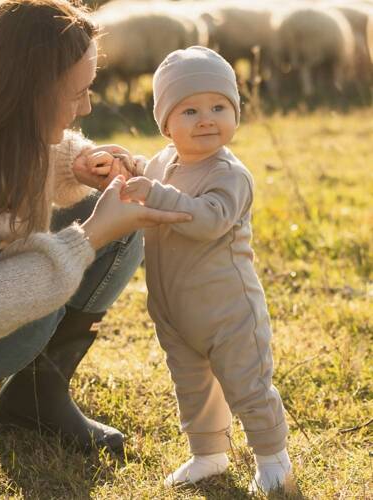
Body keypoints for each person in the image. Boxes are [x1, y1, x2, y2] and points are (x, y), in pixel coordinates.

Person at [0, 1, 192, 497]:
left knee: (121, 212)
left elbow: (5, 147)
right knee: (35, 290)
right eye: (78, 93)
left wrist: (81, 162)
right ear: (30, 91)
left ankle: (36, 397)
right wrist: (88, 238)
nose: (86, 107)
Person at [113, 46, 294, 494]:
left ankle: (273, 459)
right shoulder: (164, 163)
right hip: (174, 310)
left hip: (227, 309)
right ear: (166, 124)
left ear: (235, 113)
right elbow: (150, 176)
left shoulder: (230, 175)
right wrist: (124, 166)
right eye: (189, 110)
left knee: (246, 383)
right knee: (192, 385)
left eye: (219, 107)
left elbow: (208, 219)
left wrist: (152, 192)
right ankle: (208, 453)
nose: (206, 119)